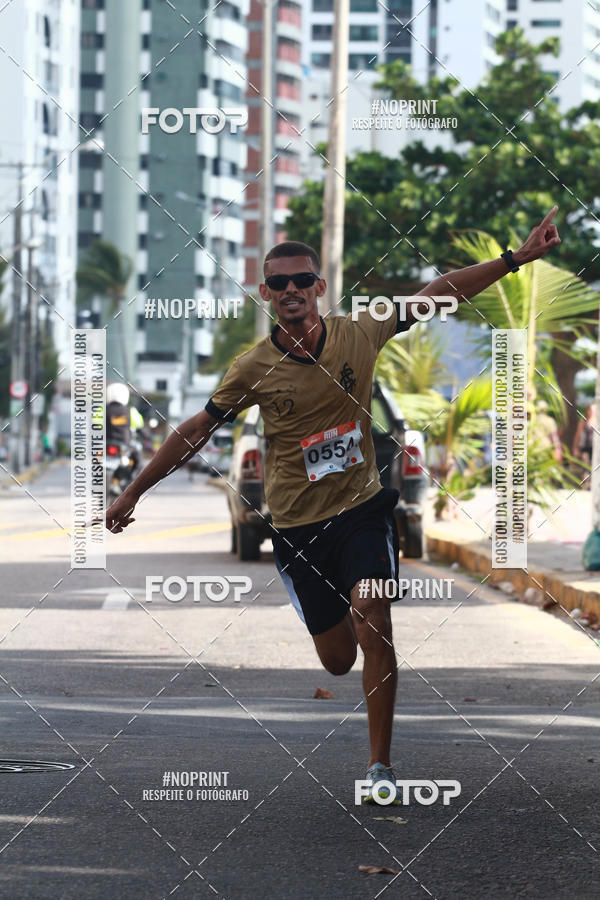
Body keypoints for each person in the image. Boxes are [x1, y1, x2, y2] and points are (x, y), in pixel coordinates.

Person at [105, 208, 561, 802]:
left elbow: (434, 294)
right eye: (279, 284)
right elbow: (196, 429)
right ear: (266, 293)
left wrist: (514, 259)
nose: (292, 291)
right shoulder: (252, 368)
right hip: (297, 527)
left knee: (377, 617)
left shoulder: (359, 331)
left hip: (363, 509)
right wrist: (134, 490)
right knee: (339, 659)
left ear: (319, 287)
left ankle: (380, 768)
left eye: (302, 281)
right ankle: (339, 614)